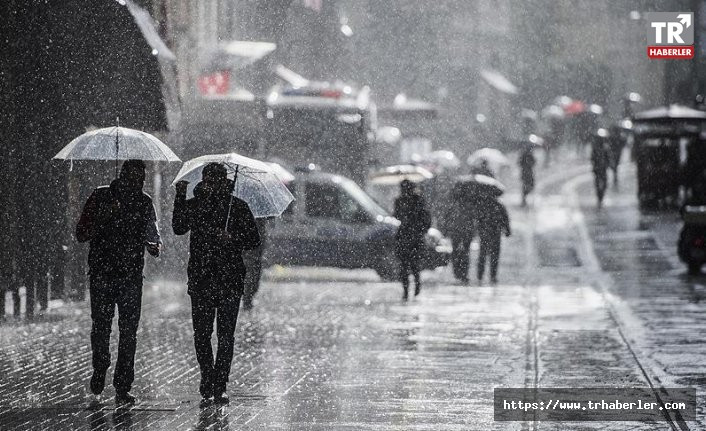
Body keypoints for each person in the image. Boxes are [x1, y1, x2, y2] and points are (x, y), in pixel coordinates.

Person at [173, 163, 260, 406]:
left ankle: (220, 384)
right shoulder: (196, 204)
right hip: (201, 278)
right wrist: (180, 196)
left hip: (230, 278)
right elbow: (179, 227)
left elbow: (253, 240)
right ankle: (207, 376)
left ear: (225, 182)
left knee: (225, 336)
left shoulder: (238, 207)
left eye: (216, 181)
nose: (211, 186)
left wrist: (232, 238)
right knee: (202, 334)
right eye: (207, 181)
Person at [76, 159, 161, 406]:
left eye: (140, 180)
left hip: (131, 276)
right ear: (122, 176)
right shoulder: (101, 197)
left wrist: (154, 246)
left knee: (128, 333)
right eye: (133, 179)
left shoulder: (144, 202)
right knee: (101, 327)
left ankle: (123, 385)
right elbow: (81, 233)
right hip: (102, 274)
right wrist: (104, 216)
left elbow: (152, 234)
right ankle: (100, 366)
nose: (137, 184)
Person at [393, 180, 431, 300]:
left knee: (412, 265)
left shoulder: (418, 200)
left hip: (413, 237)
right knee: (406, 266)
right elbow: (396, 215)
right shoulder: (400, 201)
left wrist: (418, 229)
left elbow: (425, 219)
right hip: (405, 237)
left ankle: (415, 286)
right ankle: (407, 290)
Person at [444, 182, 476, 283]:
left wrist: (447, 229)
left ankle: (458, 272)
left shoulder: (453, 203)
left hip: (457, 231)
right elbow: (473, 218)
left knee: (456, 252)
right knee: (465, 253)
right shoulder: (469, 204)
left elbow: (447, 218)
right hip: (465, 232)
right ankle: (463, 273)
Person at [475, 196, 511, 283]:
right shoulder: (499, 205)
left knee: (483, 254)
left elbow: (478, 219)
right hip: (495, 233)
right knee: (494, 255)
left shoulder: (482, 204)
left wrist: (479, 229)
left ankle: (480, 275)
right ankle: (493, 276)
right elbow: (505, 219)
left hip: (485, 233)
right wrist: (507, 230)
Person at [242, 217, 272, 310]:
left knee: (253, 275)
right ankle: (247, 297)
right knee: (251, 274)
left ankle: (247, 296)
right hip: (250, 252)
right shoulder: (247, 217)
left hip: (254, 253)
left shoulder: (261, 221)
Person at [591, 129, 611, 208]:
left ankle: (601, 195)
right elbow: (592, 158)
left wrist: (607, 164)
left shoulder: (605, 147)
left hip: (603, 168)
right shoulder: (595, 148)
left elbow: (608, 157)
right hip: (598, 169)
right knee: (598, 182)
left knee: (604, 182)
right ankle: (599, 196)